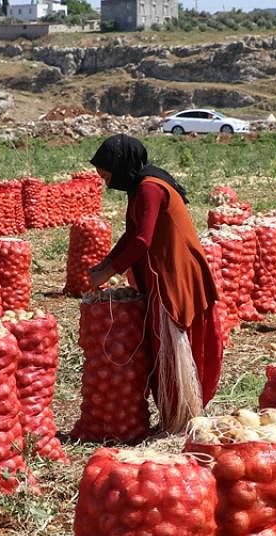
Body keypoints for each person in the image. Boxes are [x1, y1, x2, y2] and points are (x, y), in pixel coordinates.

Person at [86, 134, 224, 435]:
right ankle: (175, 414)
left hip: (175, 271)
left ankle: (181, 416)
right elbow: (130, 235)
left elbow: (142, 240)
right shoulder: (138, 187)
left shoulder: (149, 189)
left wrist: (109, 271)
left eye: (106, 171)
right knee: (162, 344)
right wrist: (106, 263)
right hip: (162, 269)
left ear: (120, 164)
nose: (104, 178)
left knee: (172, 343)